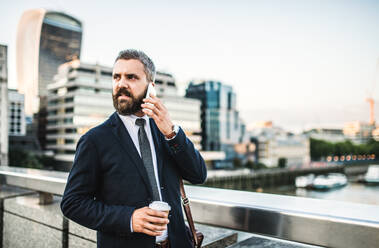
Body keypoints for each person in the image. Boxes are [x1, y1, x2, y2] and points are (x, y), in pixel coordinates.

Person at [60, 49, 207, 248]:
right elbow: (72, 203)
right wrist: (129, 218)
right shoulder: (94, 140)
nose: (121, 84)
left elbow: (198, 175)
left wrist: (172, 132)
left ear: (150, 87)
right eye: (116, 77)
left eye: (131, 77)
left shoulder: (164, 131)